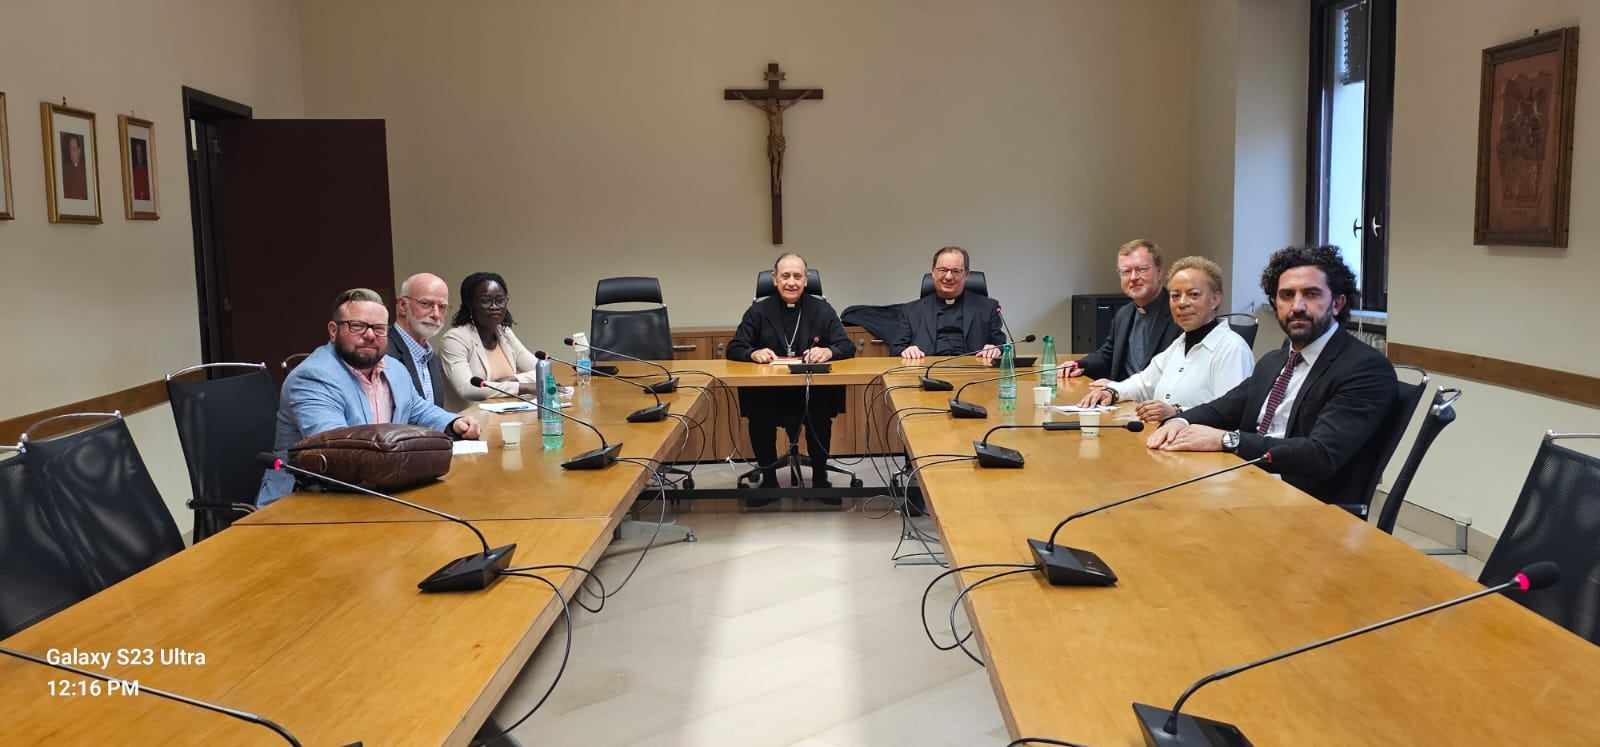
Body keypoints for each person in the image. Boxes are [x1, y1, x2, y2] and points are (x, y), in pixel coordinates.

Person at [1145, 245, 1396, 509]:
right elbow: (1223, 408)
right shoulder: (1275, 360)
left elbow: (1321, 454)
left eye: (1311, 294)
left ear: (1337, 303)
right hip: (1248, 485)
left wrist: (1226, 440)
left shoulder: (1364, 368)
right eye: (1286, 295)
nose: (1297, 306)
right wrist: (1180, 421)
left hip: (1305, 505)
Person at [257, 288, 479, 506]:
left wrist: (453, 422)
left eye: (379, 328)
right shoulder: (313, 377)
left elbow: (415, 407)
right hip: (307, 497)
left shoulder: (394, 368)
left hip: (376, 487)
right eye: (358, 326)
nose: (370, 335)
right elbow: (337, 450)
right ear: (333, 331)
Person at [727, 253, 855, 504]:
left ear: (807, 281)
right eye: (785, 276)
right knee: (759, 416)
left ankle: (820, 481)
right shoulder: (758, 311)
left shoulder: (822, 309)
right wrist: (753, 353)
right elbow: (735, 347)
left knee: (819, 414)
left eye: (797, 276)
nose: (791, 282)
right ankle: (770, 482)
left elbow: (846, 346)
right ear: (774, 280)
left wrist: (829, 351)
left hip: (810, 393)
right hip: (769, 394)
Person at [1078, 256, 1254, 422]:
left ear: (1215, 299)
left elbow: (1232, 414)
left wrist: (1177, 412)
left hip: (1204, 450)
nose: (1182, 303)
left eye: (1193, 294)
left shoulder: (1232, 349)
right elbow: (1143, 384)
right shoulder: (1180, 344)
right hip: (1166, 441)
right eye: (1175, 296)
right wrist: (1112, 392)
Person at [1062, 239, 1181, 381]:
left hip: (1158, 399)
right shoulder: (1124, 314)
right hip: (1122, 400)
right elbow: (1108, 355)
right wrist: (1079, 365)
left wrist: (1121, 389)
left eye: (1141, 270)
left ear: (1160, 271)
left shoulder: (1180, 313)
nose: (1133, 278)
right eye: (1126, 272)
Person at [439, 272, 541, 412]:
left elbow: (542, 370)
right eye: (486, 301)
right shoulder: (454, 340)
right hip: (469, 425)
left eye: (500, 300)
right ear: (470, 305)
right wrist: (522, 387)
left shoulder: (505, 334)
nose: (494, 306)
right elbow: (468, 388)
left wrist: (512, 379)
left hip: (507, 417)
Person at [891, 246, 1006, 361]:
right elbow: (896, 349)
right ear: (933, 272)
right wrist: (906, 351)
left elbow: (1001, 345)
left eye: (956, 271)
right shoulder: (910, 310)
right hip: (925, 372)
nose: (948, 277)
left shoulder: (988, 307)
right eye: (943, 270)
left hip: (974, 372)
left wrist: (995, 349)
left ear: (966, 274)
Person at [389, 272, 450, 406]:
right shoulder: (384, 353)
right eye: (426, 304)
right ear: (402, 306)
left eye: (442, 307)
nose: (436, 314)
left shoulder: (432, 358)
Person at [62, 134, 88, 201]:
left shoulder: (86, 169)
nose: (71, 153)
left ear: (79, 151)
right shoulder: (65, 170)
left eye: (74, 149)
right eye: (70, 149)